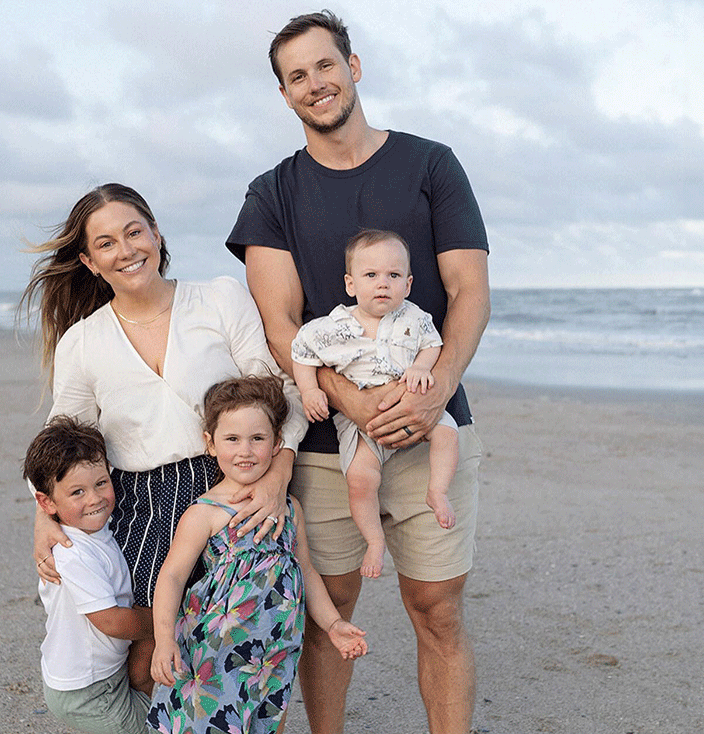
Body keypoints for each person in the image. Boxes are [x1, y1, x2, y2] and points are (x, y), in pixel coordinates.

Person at [225, 10, 490, 734]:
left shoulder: (431, 165)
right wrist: (348, 397)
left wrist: (432, 399)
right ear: (284, 95)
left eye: (325, 65)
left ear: (355, 66)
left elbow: (469, 291)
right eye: (297, 76)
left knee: (437, 608)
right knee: (330, 607)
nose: (316, 83)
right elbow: (279, 322)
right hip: (324, 441)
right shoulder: (271, 193)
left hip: (430, 417)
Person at [20, 183, 308, 692]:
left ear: (156, 234)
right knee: (150, 654)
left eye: (135, 232)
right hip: (140, 504)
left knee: (247, 644)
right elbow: (57, 445)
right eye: (106, 243)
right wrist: (43, 518)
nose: (126, 249)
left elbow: (279, 393)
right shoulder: (83, 342)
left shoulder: (219, 297)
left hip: (231, 486)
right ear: (89, 262)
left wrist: (277, 476)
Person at [147, 375, 367, 733]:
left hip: (271, 650)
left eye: (258, 439)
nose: (245, 450)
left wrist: (333, 623)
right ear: (211, 443)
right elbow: (171, 576)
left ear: (278, 443)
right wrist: (164, 640)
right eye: (232, 439)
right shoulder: (206, 512)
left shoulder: (289, 508)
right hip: (212, 652)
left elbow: (306, 572)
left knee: (262, 724)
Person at [291, 229, 459, 579]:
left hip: (413, 408)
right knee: (359, 479)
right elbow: (302, 352)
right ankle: (374, 540)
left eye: (393, 276)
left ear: (408, 284)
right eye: (371, 276)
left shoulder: (414, 318)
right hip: (359, 423)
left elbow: (433, 344)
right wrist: (310, 391)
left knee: (447, 432)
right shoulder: (332, 327)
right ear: (351, 284)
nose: (383, 284)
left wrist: (420, 367)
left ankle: (437, 491)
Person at [24, 417, 152, 734]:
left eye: (101, 483)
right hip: (87, 689)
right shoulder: (71, 553)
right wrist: (164, 622)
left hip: (100, 674)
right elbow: (112, 621)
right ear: (46, 503)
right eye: (77, 492)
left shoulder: (98, 530)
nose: (94, 499)